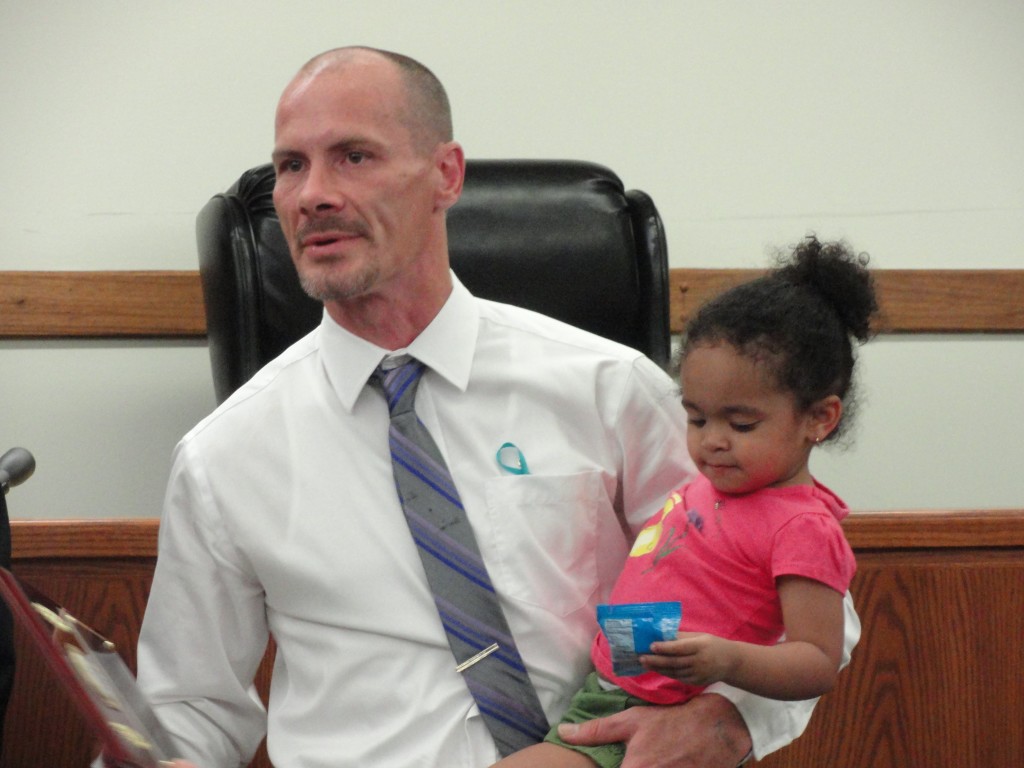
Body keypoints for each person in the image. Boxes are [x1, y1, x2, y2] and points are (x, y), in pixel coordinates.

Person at [136, 47, 860, 768]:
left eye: (354, 156)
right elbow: (191, 705)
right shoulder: (223, 454)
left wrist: (728, 720)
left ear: (446, 176)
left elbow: (807, 598)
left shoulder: (607, 388)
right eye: (291, 165)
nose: (312, 193)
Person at [491, 237, 874, 768]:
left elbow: (816, 663)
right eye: (696, 418)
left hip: (656, 710)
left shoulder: (804, 529)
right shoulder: (709, 484)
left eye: (741, 424)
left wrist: (727, 660)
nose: (712, 440)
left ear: (820, 419)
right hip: (605, 683)